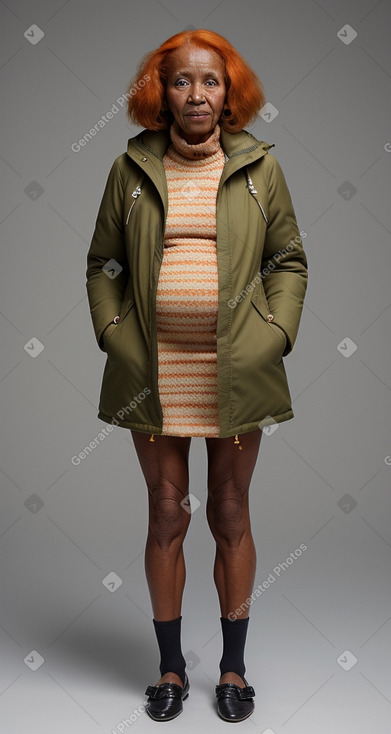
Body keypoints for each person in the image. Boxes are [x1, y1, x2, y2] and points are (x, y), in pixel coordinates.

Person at [86, 29, 308, 722]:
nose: (195, 94)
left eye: (209, 81)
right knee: (164, 516)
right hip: (153, 371)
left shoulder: (260, 167)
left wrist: (275, 333)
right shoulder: (129, 168)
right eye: (181, 80)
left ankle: (234, 669)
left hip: (236, 369)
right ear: (161, 91)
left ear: (229, 90)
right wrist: (113, 336)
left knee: (231, 513)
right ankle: (172, 669)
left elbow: (288, 261)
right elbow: (104, 265)